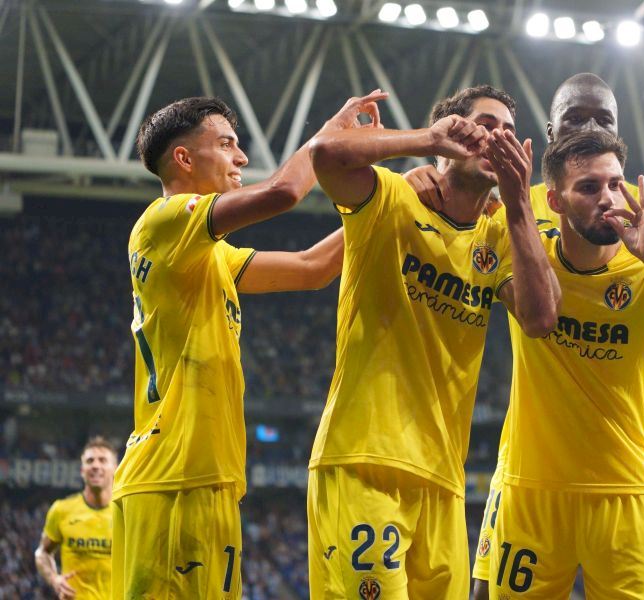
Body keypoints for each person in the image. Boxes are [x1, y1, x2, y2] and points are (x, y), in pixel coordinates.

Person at [421, 72, 644, 599]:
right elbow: (454, 217)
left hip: (625, 482)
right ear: (551, 134)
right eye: (575, 118)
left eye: (602, 119)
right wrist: (424, 177)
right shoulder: (515, 204)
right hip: (530, 478)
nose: (589, 128)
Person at [112, 91, 386, 598]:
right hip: (174, 480)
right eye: (226, 144)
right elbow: (283, 192)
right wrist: (328, 138)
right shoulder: (164, 219)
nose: (240, 157)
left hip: (205, 480)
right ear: (184, 158)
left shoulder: (209, 257)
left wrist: (387, 206)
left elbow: (311, 268)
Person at [306, 84, 560, 599]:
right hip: (365, 461)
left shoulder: (498, 236)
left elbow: (541, 318)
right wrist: (425, 140)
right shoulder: (391, 197)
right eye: (485, 125)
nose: (498, 139)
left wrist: (518, 206)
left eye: (509, 133)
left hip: (444, 480)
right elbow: (324, 155)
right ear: (452, 131)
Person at [484, 130, 644, 599]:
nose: (607, 198)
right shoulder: (527, 258)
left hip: (627, 493)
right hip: (533, 491)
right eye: (588, 187)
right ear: (555, 202)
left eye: (615, 184)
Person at [35, 437, 118, 600]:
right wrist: (54, 579)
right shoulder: (61, 510)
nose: (95, 465)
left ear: (115, 469)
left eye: (102, 460)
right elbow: (42, 552)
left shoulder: (126, 513)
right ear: (82, 470)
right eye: (90, 461)